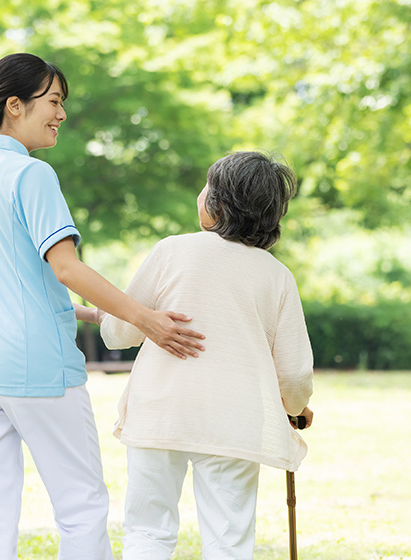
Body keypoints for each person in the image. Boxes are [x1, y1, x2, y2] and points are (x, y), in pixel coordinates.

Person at [0, 52, 205, 560]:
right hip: (34, 368)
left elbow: (8, 279)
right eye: (54, 101)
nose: (61, 114)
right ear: (15, 105)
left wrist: (83, 312)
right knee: (81, 507)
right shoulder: (31, 175)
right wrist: (144, 318)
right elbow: (66, 268)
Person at [99, 151, 315, 560]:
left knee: (147, 530)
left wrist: (102, 316)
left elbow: (118, 331)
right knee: (228, 540)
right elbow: (294, 373)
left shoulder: (172, 251)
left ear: (216, 204)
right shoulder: (276, 276)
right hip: (233, 420)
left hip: (160, 412)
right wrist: (297, 408)